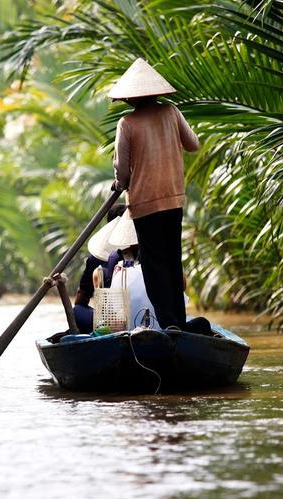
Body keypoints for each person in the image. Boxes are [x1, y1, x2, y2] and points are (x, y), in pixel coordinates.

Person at [109, 57, 201, 332]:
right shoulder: (171, 112)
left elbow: (122, 169)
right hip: (173, 198)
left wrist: (119, 183)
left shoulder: (127, 123)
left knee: (153, 265)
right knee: (173, 259)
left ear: (129, 98)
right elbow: (193, 144)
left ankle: (170, 324)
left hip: (144, 204)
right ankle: (179, 324)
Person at [73, 204, 126, 333]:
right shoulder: (146, 252)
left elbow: (81, 298)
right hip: (146, 316)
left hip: (111, 323)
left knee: (77, 311)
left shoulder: (96, 259)